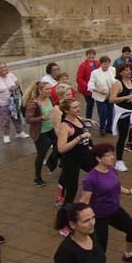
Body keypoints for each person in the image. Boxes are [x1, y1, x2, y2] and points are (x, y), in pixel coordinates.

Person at [78, 143, 132, 263]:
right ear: (98, 159)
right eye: (108, 155)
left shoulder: (112, 170)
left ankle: (128, 255)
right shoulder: (91, 178)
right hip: (99, 216)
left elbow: (116, 186)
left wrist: (129, 192)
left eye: (112, 154)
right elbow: (84, 201)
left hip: (115, 211)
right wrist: (80, 220)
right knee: (101, 248)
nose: (112, 157)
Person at [54, 99, 95, 232]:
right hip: (71, 160)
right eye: (75, 107)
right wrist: (79, 138)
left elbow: (82, 122)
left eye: (78, 106)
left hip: (84, 156)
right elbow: (61, 148)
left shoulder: (77, 118)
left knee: (99, 173)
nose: (78, 108)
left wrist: (89, 122)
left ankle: (95, 205)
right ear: (67, 110)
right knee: (71, 193)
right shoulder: (65, 126)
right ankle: (63, 224)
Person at [24, 80, 58, 187]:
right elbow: (28, 119)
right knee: (42, 153)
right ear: (40, 90)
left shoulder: (50, 99)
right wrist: (42, 117)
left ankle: (51, 164)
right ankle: (37, 178)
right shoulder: (33, 104)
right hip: (40, 132)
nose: (49, 91)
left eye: (50, 89)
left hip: (51, 129)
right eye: (47, 89)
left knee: (59, 145)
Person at [87, 56, 115, 135]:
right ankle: (102, 128)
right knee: (103, 113)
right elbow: (90, 85)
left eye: (108, 64)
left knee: (110, 113)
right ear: (100, 64)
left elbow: (116, 80)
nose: (106, 66)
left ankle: (109, 128)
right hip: (100, 97)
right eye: (104, 64)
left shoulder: (112, 70)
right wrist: (98, 90)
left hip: (110, 96)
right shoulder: (95, 73)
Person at [76, 49, 100, 121]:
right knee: (90, 104)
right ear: (86, 55)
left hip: (97, 88)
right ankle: (88, 120)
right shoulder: (83, 66)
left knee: (99, 104)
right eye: (89, 54)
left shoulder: (97, 63)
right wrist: (88, 86)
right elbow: (79, 79)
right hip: (88, 89)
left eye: (93, 54)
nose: (91, 56)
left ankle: (102, 120)